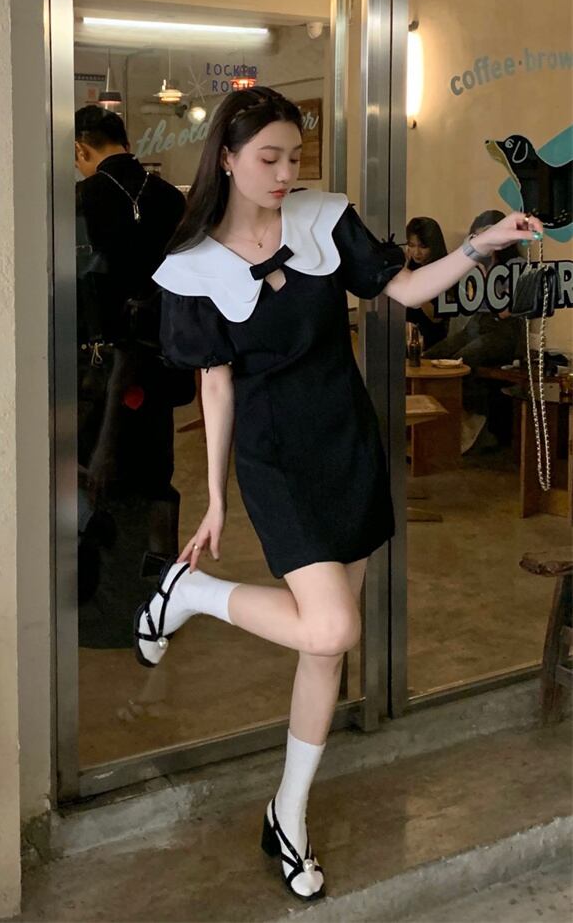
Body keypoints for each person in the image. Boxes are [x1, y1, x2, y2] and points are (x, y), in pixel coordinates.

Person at [132, 87, 543, 902]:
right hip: (276, 457)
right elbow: (216, 385)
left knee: (324, 650)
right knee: (332, 624)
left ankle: (287, 813)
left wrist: (482, 244)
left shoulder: (326, 219)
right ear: (227, 159)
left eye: (294, 156)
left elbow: (406, 290)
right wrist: (215, 497)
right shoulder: (192, 267)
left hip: (345, 441)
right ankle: (192, 593)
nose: (286, 172)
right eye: (269, 158)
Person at [74, 105, 189, 648]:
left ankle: (106, 606)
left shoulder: (81, 200)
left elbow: (75, 288)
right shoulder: (169, 198)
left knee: (99, 474)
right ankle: (157, 601)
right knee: (154, 473)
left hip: (100, 366)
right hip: (161, 364)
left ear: (81, 148)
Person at [424, 208, 526, 451]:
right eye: (479, 237)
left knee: (463, 361)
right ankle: (436, 423)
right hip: (477, 324)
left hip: (503, 330)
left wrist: (484, 289)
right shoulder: (475, 264)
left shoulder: (516, 266)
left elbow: (508, 310)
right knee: (431, 357)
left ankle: (478, 424)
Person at [405, 215, 450, 349]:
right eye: (411, 245)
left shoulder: (444, 270)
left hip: (430, 336)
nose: (416, 252)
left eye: (423, 246)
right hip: (408, 331)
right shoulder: (412, 265)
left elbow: (436, 317)